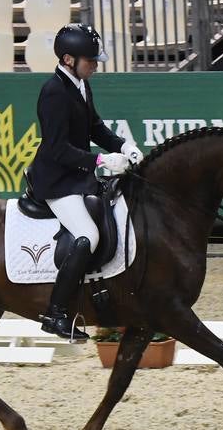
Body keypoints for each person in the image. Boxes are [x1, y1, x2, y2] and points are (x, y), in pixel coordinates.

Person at [26, 23, 142, 341]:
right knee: (87, 235)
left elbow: (95, 128)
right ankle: (56, 312)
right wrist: (100, 161)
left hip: (77, 176)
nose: (94, 65)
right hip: (56, 182)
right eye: (89, 60)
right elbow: (56, 148)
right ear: (68, 59)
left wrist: (123, 146)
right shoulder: (53, 92)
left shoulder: (81, 85)